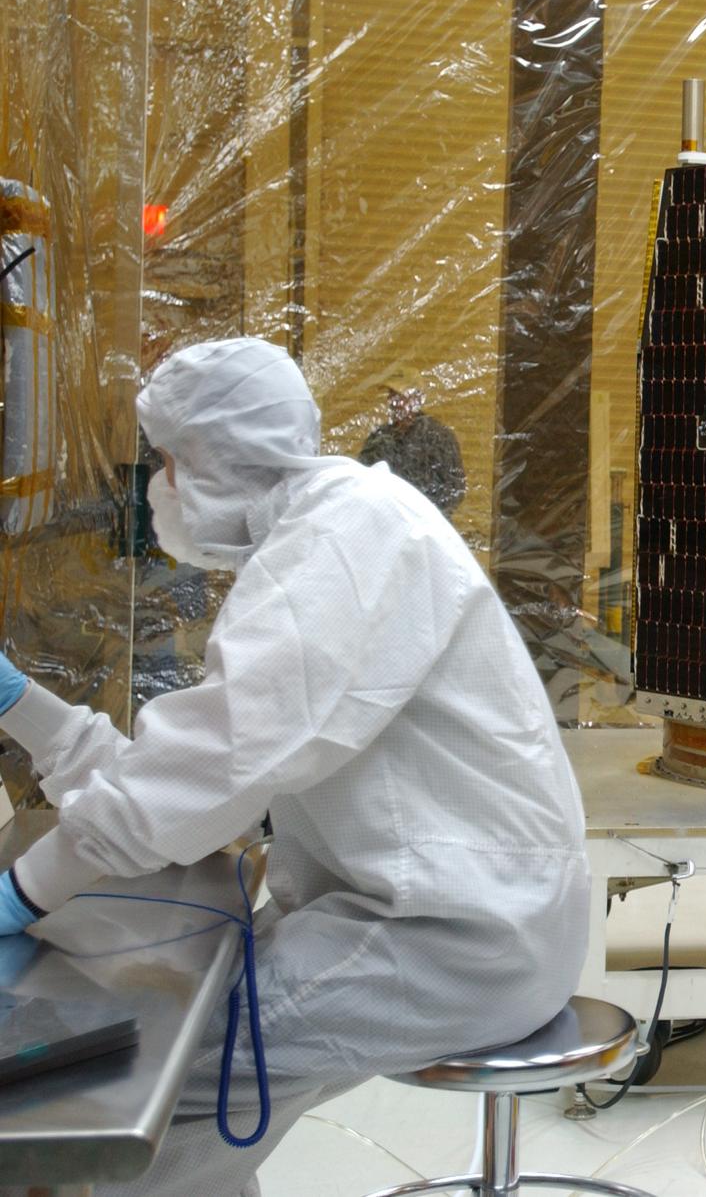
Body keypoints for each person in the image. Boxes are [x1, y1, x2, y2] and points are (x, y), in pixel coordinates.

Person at [0, 338, 589, 1197]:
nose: (158, 485)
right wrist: (20, 704)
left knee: (142, 1075)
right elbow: (196, 770)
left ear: (213, 456)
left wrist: (28, 889)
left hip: (453, 936)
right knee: (174, 1060)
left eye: (165, 461)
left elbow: (220, 759)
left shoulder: (345, 537)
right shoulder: (323, 532)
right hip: (435, 913)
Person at [358, 366, 467, 517]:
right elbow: (363, 479)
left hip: (423, 524)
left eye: (400, 396)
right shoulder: (379, 438)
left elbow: (454, 489)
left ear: (417, 398)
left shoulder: (438, 438)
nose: (393, 402)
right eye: (391, 394)